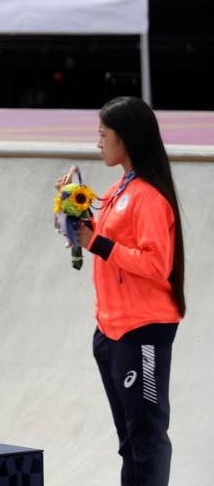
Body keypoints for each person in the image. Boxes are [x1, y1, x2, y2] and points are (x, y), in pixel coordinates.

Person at [59, 96, 184, 485]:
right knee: (130, 440)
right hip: (112, 330)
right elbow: (101, 240)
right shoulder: (118, 190)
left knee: (146, 438)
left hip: (142, 330)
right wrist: (73, 214)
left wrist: (97, 243)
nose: (98, 142)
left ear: (125, 139)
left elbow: (155, 265)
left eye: (103, 134)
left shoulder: (147, 197)